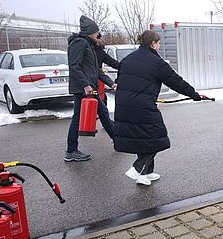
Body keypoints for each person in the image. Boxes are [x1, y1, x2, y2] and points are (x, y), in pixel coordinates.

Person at [114, 29, 203, 185]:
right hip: (142, 107)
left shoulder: (127, 59)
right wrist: (194, 94)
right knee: (157, 138)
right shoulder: (157, 63)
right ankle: (137, 168)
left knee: (144, 138)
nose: (159, 46)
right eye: (159, 43)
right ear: (153, 44)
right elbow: (176, 81)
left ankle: (146, 173)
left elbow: (120, 80)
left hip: (123, 105)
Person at [65, 15, 115, 162]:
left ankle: (117, 140)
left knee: (103, 113)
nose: (98, 34)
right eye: (96, 31)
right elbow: (74, 65)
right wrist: (85, 85)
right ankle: (71, 151)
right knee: (78, 118)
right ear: (90, 32)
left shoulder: (89, 45)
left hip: (89, 88)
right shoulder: (79, 43)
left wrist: (111, 83)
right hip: (83, 89)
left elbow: (96, 70)